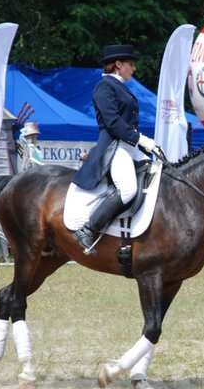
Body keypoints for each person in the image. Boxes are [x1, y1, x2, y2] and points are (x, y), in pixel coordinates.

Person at [72, 44, 158, 254]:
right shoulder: (105, 86)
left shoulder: (120, 86)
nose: (134, 68)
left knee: (158, 175)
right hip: (113, 147)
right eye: (131, 64)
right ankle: (88, 230)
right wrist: (141, 139)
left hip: (128, 146)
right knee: (128, 189)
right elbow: (113, 123)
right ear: (118, 64)